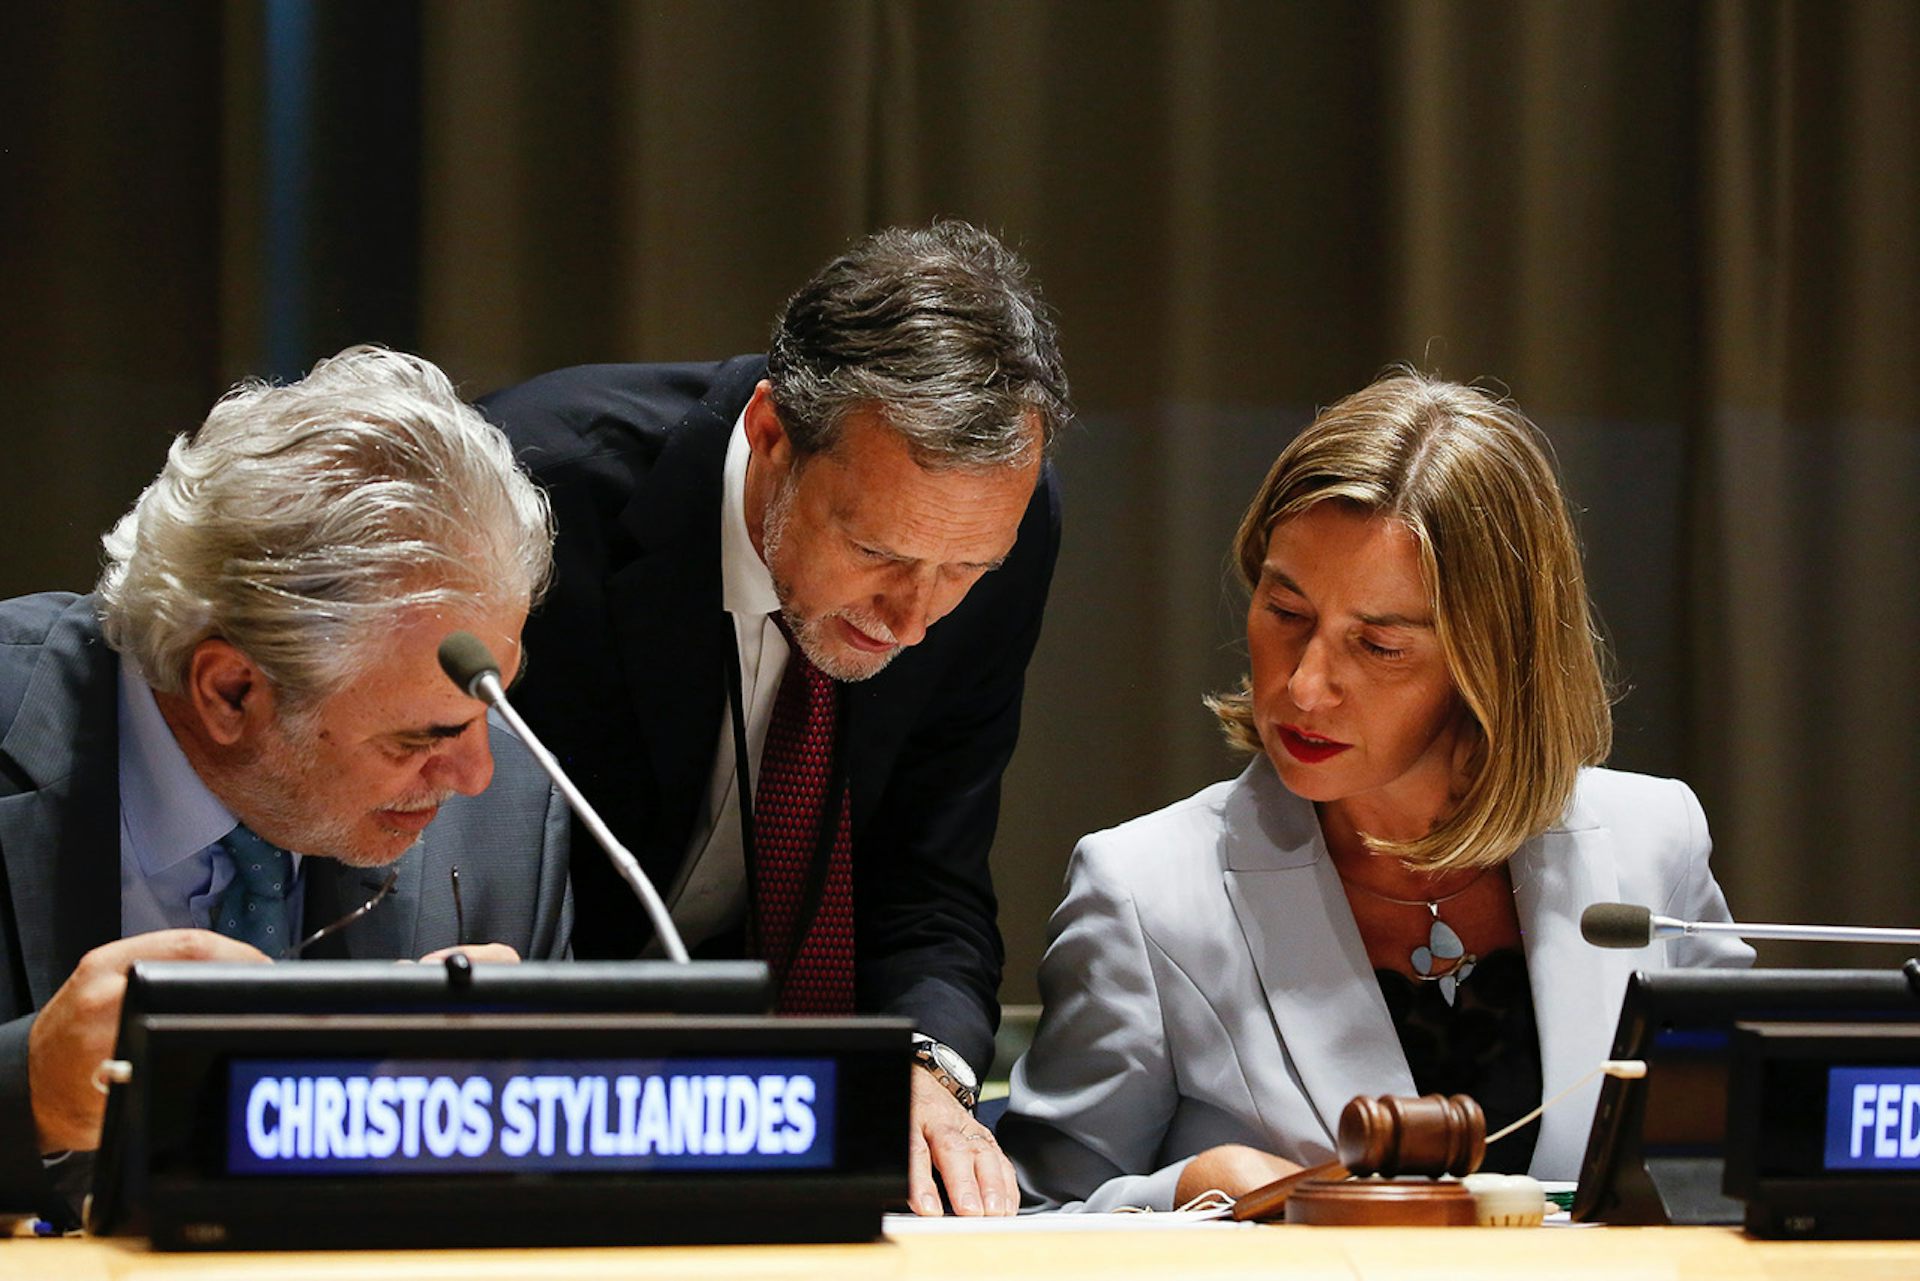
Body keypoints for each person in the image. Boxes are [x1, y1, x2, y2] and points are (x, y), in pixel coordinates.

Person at [1000, 371, 1752, 1212]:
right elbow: (1022, 1221)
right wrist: (1189, 1190)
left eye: (1379, 645)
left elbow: (1752, 1172)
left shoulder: (1657, 841)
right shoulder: (1141, 890)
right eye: (1285, 611)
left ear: (1491, 663)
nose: (1305, 686)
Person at [480, 220, 1069, 1217]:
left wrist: (925, 1068)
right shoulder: (531, 495)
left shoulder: (999, 527)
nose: (916, 618)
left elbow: (930, 877)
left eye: (966, 570)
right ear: (768, 434)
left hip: (794, 1134)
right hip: (533, 1098)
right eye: (879, 552)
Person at [0, 346, 571, 1223]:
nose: (476, 771)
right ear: (230, 689)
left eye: (486, 707)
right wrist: (28, 1092)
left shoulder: (510, 817)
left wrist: (514, 1116)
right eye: (423, 734)